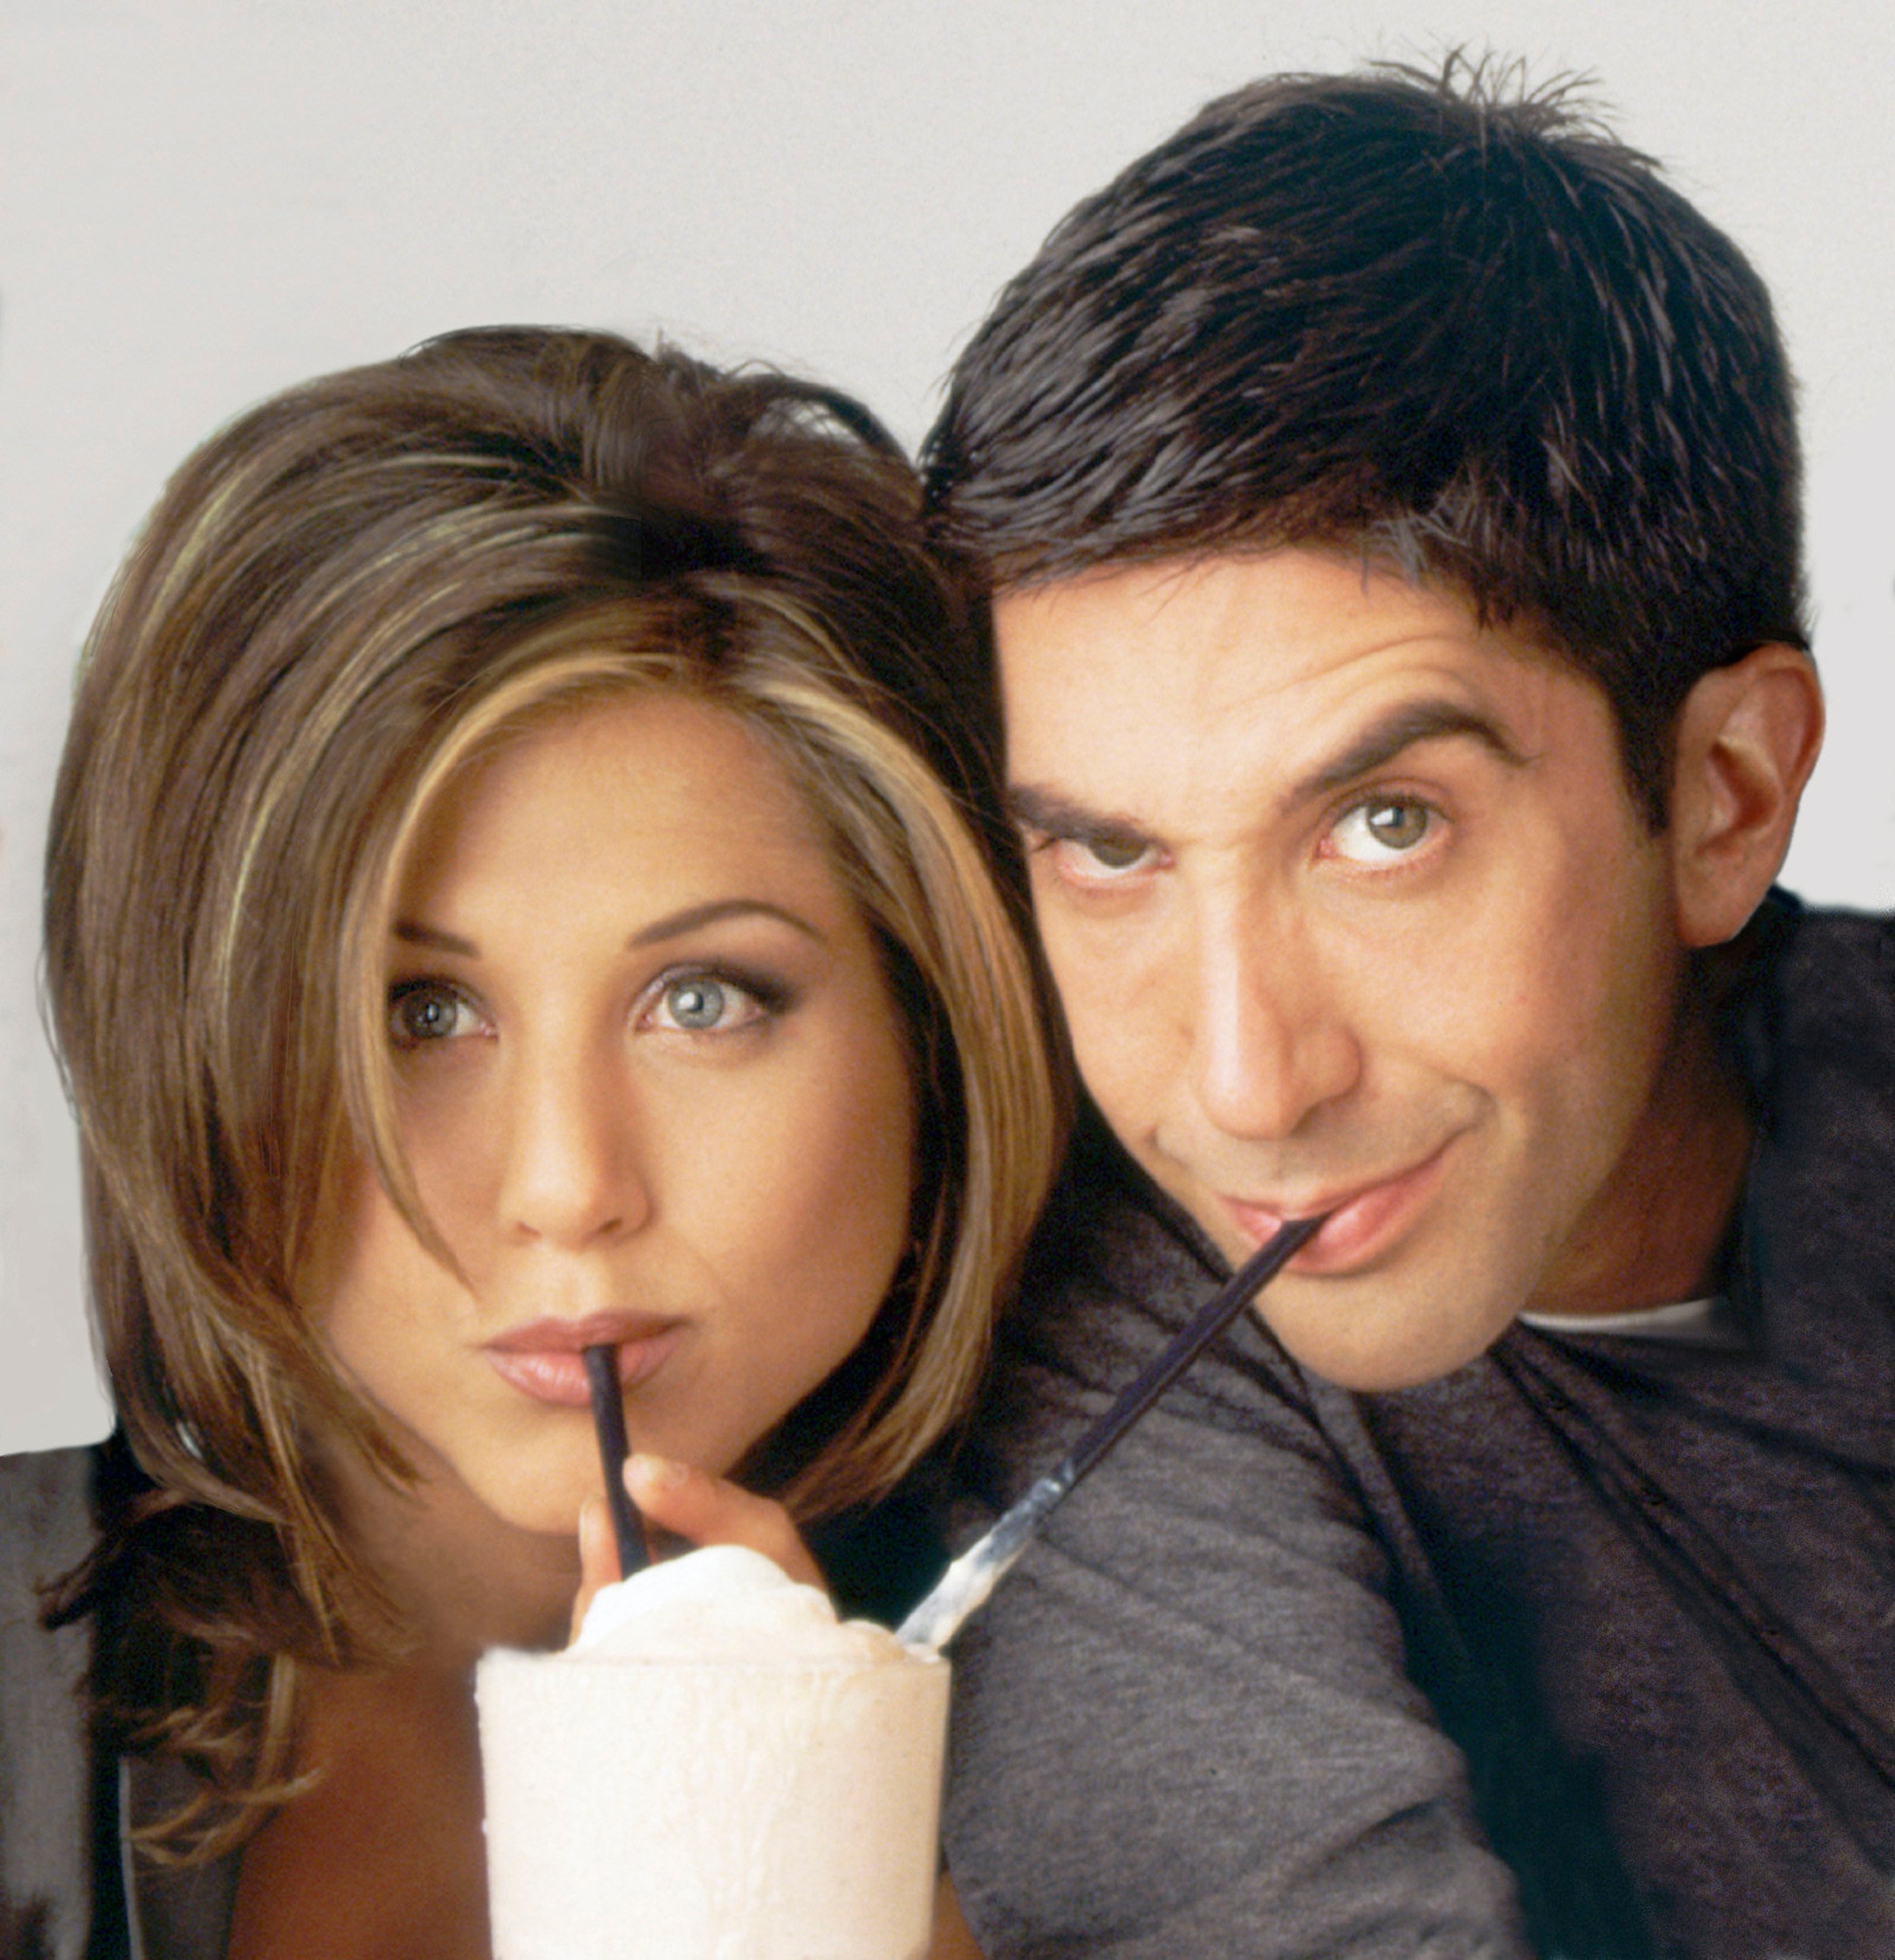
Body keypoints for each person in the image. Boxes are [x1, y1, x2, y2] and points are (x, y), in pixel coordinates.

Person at [921, 60, 1895, 1960]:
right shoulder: (1099, 1358)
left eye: (1383, 828)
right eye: (1111, 858)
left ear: (1722, 795)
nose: (1241, 1080)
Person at [1, 326, 1059, 1957]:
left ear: (935, 1037)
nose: (567, 1184)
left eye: (704, 1001)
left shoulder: (1177, 1685)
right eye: (418, 1015)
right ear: (191, 1049)